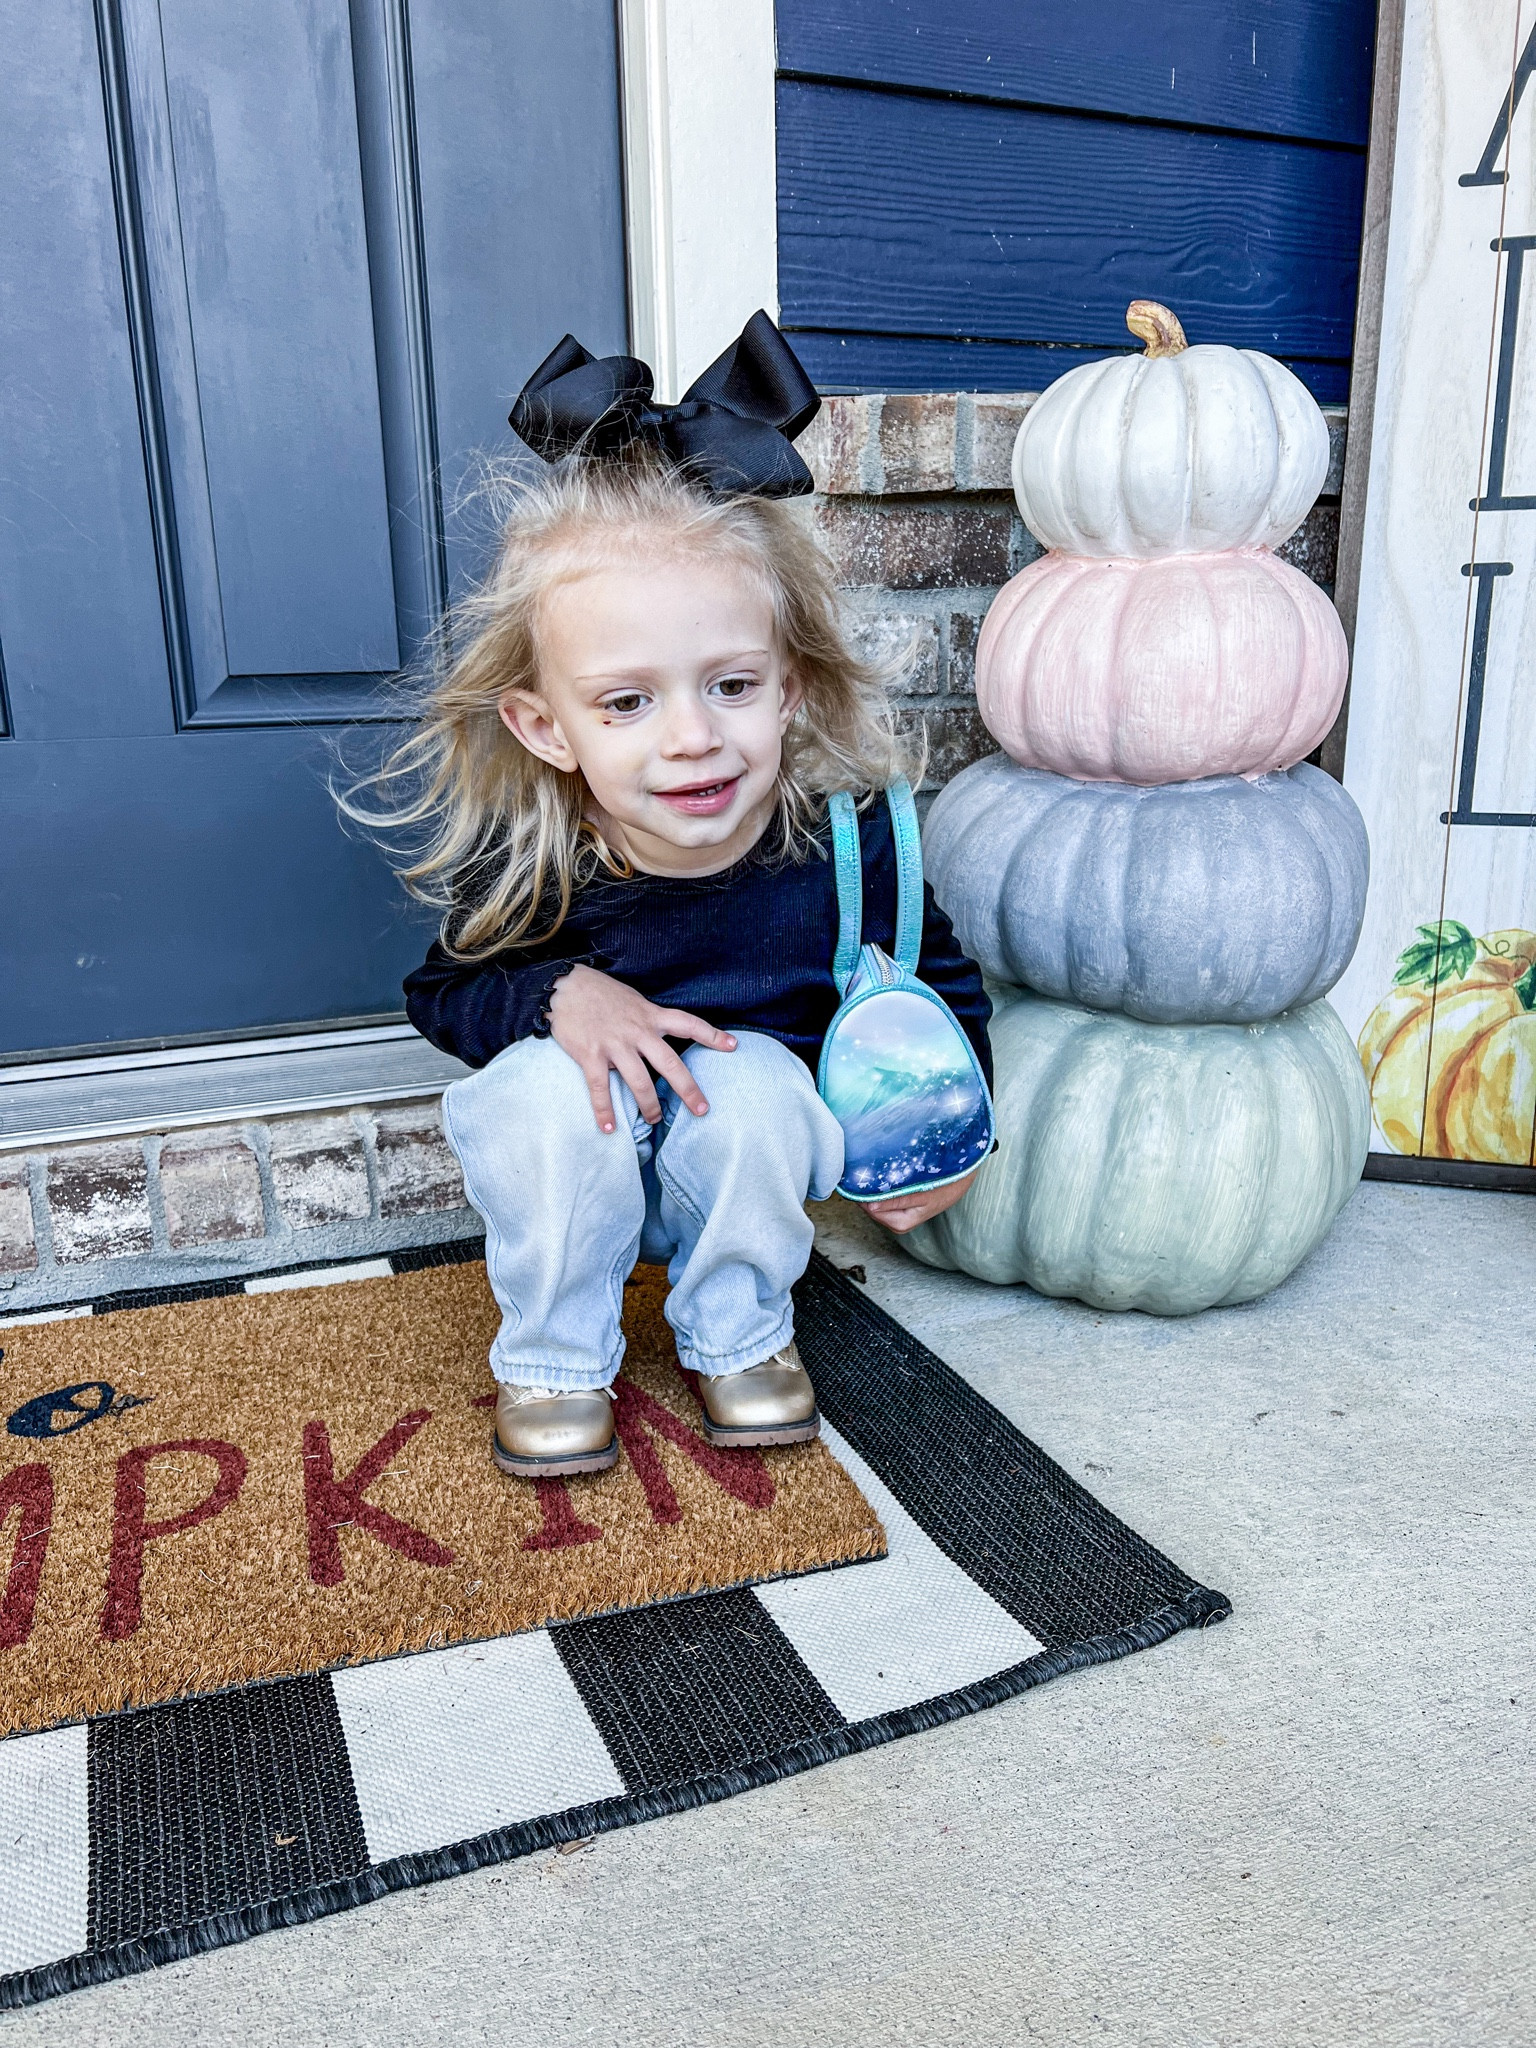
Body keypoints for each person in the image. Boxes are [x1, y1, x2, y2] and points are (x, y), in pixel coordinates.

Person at [366, 318, 991, 1482]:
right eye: (626, 703)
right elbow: (442, 990)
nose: (694, 737)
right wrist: (562, 993)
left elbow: (941, 986)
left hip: (742, 1169)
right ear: (546, 725)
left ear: (790, 687)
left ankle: (738, 1335)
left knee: (753, 1076)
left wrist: (946, 1131)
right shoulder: (548, 853)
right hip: (586, 1161)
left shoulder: (849, 847)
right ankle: (555, 1356)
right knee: (543, 1088)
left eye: (732, 684)